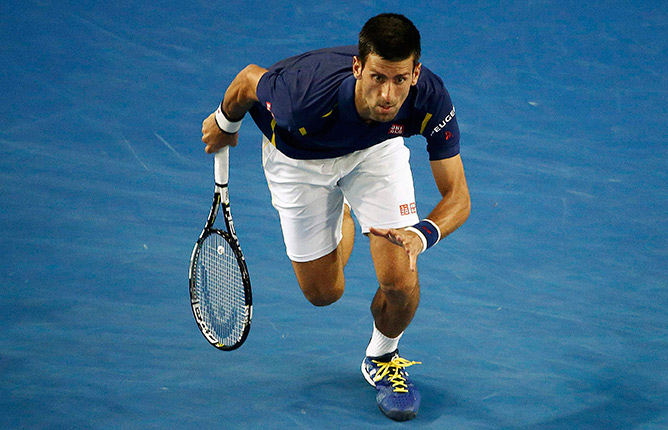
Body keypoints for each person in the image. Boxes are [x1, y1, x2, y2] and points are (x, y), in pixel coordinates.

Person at [201, 13, 470, 421]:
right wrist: (225, 120)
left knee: (400, 279)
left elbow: (458, 196)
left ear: (415, 73)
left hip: (375, 151)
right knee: (323, 293)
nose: (388, 94)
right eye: (377, 77)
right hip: (298, 162)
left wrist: (421, 236)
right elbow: (247, 79)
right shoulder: (301, 97)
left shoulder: (429, 97)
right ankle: (343, 209)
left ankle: (382, 356)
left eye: (400, 79)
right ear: (357, 67)